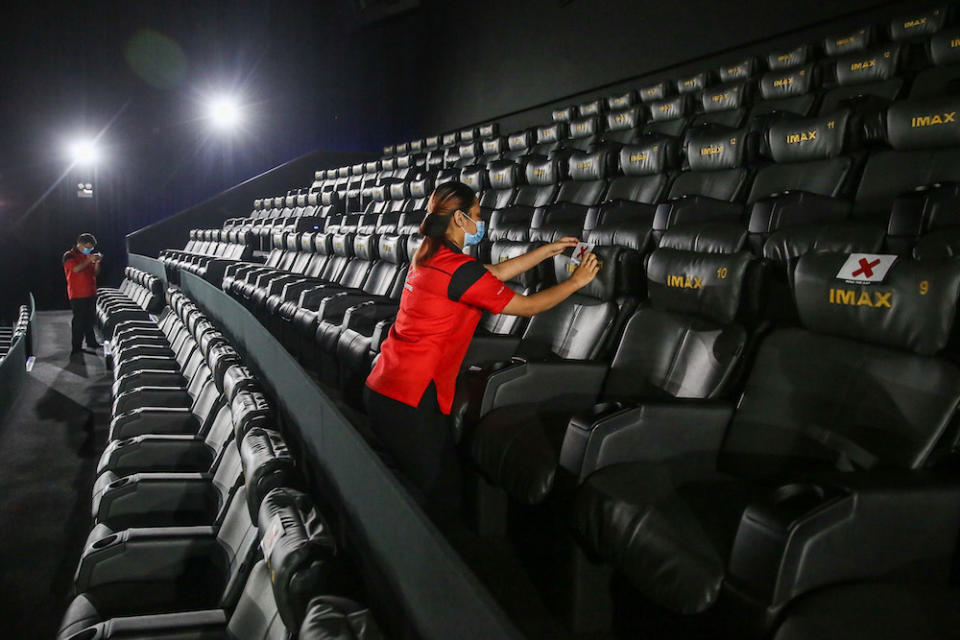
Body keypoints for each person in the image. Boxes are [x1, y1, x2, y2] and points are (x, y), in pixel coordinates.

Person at [364, 181, 599, 524]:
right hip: (412, 397)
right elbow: (529, 306)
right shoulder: (458, 268)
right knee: (438, 502)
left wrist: (548, 251)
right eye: (477, 215)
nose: (480, 222)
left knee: (420, 491)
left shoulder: (430, 253)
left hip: (385, 385)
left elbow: (494, 274)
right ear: (459, 219)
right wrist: (576, 282)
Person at [63, 233, 103, 355]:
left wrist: (96, 262)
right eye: (88, 247)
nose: (90, 250)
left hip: (90, 292)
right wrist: (89, 260)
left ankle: (91, 342)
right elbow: (76, 269)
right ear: (80, 244)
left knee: (89, 319)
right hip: (77, 294)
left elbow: (95, 273)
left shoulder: (88, 256)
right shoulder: (69, 255)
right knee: (79, 321)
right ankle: (76, 347)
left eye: (91, 248)